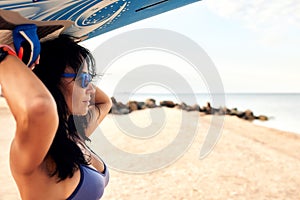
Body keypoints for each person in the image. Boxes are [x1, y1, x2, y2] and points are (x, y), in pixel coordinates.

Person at [0, 32, 112, 199]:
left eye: (90, 79)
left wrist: (80, 73)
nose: (91, 90)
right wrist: (7, 57)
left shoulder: (74, 135)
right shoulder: (36, 151)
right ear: (52, 79)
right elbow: (40, 107)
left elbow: (105, 103)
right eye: (83, 80)